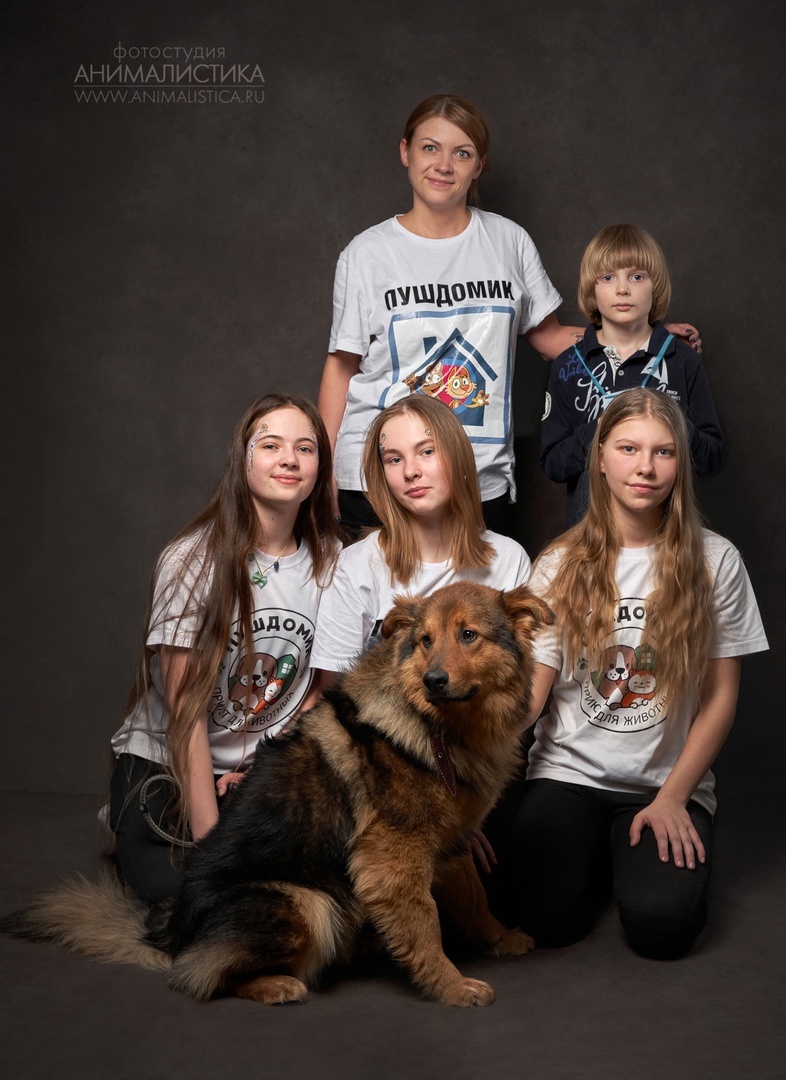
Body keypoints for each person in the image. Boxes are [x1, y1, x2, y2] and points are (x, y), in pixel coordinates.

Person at [319, 94, 702, 537]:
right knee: (383, 586)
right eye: (429, 148)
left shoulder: (508, 242)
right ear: (405, 151)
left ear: (479, 165)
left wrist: (643, 335)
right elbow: (342, 366)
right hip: (381, 474)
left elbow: (550, 338)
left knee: (477, 586)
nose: (443, 165)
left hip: (477, 474)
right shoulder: (366, 254)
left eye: (462, 153)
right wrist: (325, 468)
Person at [503, 388, 767, 958]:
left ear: (680, 464)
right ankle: (598, 853)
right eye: (628, 448)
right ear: (600, 457)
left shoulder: (716, 561)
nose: (645, 467)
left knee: (661, 928)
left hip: (664, 781)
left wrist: (673, 798)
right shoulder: (559, 562)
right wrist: (461, 770)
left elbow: (721, 698)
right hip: (567, 774)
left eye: (662, 452)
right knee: (543, 920)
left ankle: (636, 856)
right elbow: (531, 699)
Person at [108, 393, 341, 899]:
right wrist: (213, 849)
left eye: (305, 448)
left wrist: (266, 770)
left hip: (260, 767)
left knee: (305, 895)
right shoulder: (192, 560)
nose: (289, 459)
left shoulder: (333, 562)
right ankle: (129, 821)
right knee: (191, 899)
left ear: (320, 468)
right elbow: (187, 716)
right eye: (271, 445)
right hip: (170, 761)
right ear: (243, 459)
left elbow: (321, 690)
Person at [310, 394, 532, 687]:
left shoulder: (509, 558)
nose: (410, 471)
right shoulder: (353, 567)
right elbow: (336, 693)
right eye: (394, 459)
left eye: (427, 452)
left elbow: (518, 685)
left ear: (457, 456)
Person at [540, 223, 723, 526]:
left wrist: (672, 424)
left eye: (637, 277)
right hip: (591, 537)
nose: (622, 289)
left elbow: (711, 458)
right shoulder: (568, 365)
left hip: (666, 536)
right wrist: (600, 430)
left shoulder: (682, 360)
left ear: (656, 286)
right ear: (592, 288)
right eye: (608, 277)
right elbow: (553, 465)